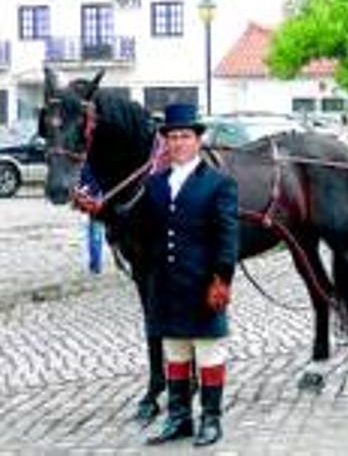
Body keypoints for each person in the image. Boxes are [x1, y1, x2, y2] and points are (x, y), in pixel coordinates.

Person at [144, 103, 239, 447]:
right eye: (173, 137)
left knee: (209, 352)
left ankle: (211, 420)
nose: (179, 142)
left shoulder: (218, 184)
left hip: (202, 284)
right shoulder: (154, 184)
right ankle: (179, 418)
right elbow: (144, 231)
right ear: (166, 142)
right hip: (167, 286)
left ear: (198, 140)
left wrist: (221, 279)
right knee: (175, 353)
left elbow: (228, 237)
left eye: (185, 136)